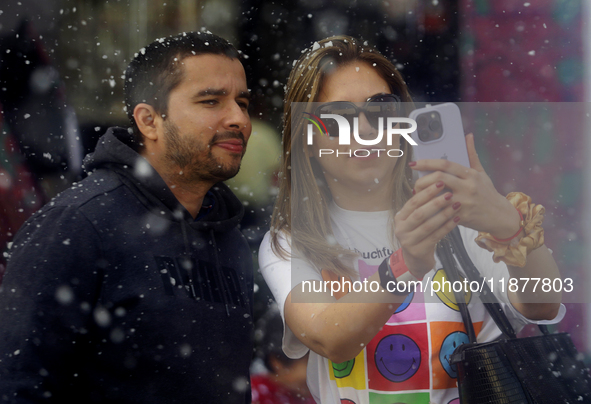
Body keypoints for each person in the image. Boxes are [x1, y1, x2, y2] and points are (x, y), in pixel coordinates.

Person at [258, 35, 565, 404]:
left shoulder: (460, 212)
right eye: (337, 117)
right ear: (307, 137)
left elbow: (544, 304)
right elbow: (330, 338)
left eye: (380, 109)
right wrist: (404, 265)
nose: (365, 130)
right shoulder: (291, 241)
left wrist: (510, 227)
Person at [0, 31, 254, 403]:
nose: (238, 118)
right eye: (211, 100)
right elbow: (16, 382)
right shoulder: (78, 225)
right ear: (149, 121)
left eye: (243, 102)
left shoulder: (229, 235)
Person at [251, 305, 316, 404]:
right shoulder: (253, 395)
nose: (317, 374)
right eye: (311, 364)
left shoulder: (311, 397)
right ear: (278, 361)